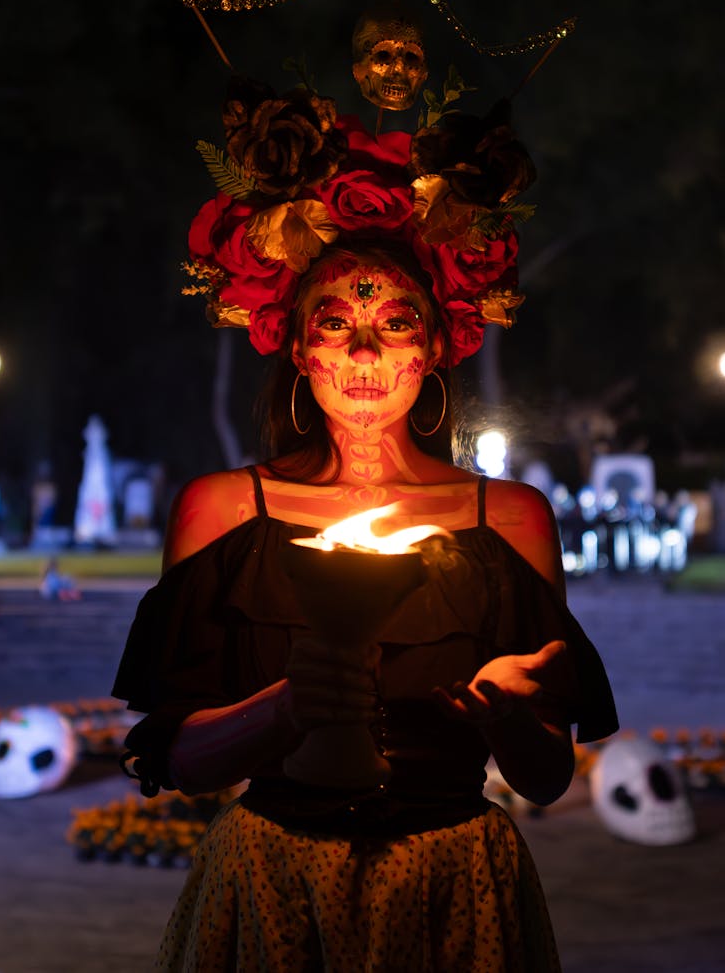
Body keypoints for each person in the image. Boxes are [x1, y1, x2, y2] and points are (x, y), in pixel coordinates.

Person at [112, 64, 618, 971]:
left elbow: (542, 777)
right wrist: (285, 708)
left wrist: (505, 713)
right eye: (337, 319)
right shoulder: (226, 510)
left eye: (393, 321)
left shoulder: (505, 517)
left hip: (454, 884)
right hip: (273, 877)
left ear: (435, 345)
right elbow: (181, 760)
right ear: (297, 345)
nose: (363, 349)